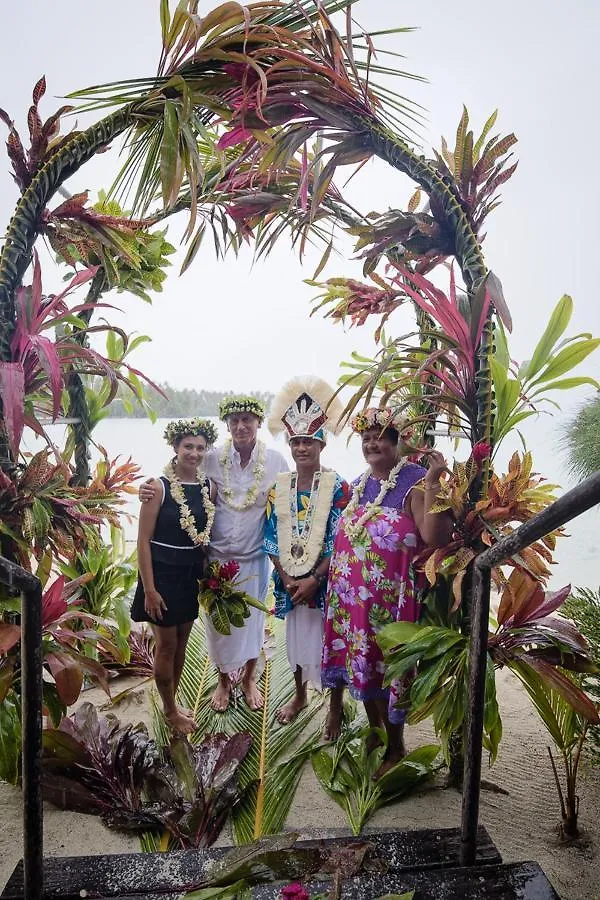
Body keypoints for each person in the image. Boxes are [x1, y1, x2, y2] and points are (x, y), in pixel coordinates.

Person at [321, 407, 453, 773]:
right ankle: (375, 731)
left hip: (391, 602)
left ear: (396, 441)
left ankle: (396, 749)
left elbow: (435, 536)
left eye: (378, 436)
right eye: (365, 438)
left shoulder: (412, 481)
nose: (369, 443)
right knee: (362, 664)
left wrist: (434, 483)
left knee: (388, 667)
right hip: (353, 601)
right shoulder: (362, 483)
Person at [140, 395, 288, 713]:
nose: (240, 426)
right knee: (217, 627)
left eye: (247, 419)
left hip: (254, 558)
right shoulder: (212, 457)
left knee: (253, 624)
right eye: (234, 421)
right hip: (215, 561)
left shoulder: (276, 462)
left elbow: (287, 508)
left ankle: (248, 679)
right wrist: (147, 489)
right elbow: (181, 477)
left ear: (258, 423)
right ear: (227, 425)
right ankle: (223, 681)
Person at [264, 377, 350, 724]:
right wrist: (286, 578)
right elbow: (269, 534)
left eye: (308, 442)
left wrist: (315, 578)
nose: (302, 448)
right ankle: (300, 694)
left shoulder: (339, 487)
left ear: (321, 444)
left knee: (333, 640)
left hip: (325, 582)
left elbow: (341, 539)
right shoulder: (279, 486)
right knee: (297, 639)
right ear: (289, 444)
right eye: (296, 442)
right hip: (290, 582)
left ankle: (334, 707)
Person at [132, 418, 218, 735]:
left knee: (182, 641)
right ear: (175, 447)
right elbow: (142, 541)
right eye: (188, 446)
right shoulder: (157, 487)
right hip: (161, 574)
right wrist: (150, 590)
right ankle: (170, 712)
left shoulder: (208, 487)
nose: (194, 453)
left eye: (199, 448)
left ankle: (172, 700)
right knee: (166, 644)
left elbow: (204, 536)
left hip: (188, 574)